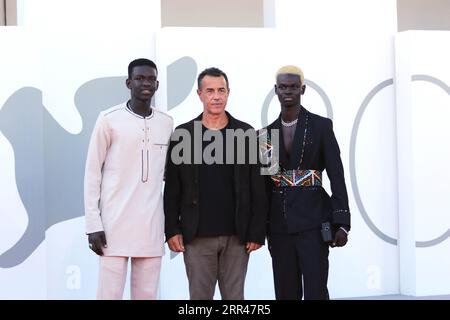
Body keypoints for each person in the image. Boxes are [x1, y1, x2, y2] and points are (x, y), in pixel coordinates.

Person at [163, 67, 268, 300]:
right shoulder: (183, 135)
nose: (216, 96)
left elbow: (258, 187)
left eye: (221, 90)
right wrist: (172, 229)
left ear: (229, 93)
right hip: (196, 237)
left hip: (237, 237)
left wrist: (257, 230)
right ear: (199, 94)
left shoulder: (247, 133)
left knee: (235, 300)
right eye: (210, 91)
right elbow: (172, 189)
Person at [84, 58, 173, 299]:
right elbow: (92, 173)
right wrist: (93, 224)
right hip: (113, 226)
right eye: (139, 78)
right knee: (108, 295)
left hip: (151, 226)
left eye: (151, 79)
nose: (146, 83)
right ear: (128, 82)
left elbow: (166, 173)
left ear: (157, 84)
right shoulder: (108, 119)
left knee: (147, 296)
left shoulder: (166, 122)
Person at [260, 65, 350, 300]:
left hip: (314, 223)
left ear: (303, 89)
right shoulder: (264, 135)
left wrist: (342, 222)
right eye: (283, 87)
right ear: (275, 90)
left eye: (293, 87)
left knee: (316, 291)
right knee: (285, 292)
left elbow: (336, 175)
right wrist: (261, 227)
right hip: (280, 226)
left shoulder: (321, 126)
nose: (287, 91)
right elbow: (265, 187)